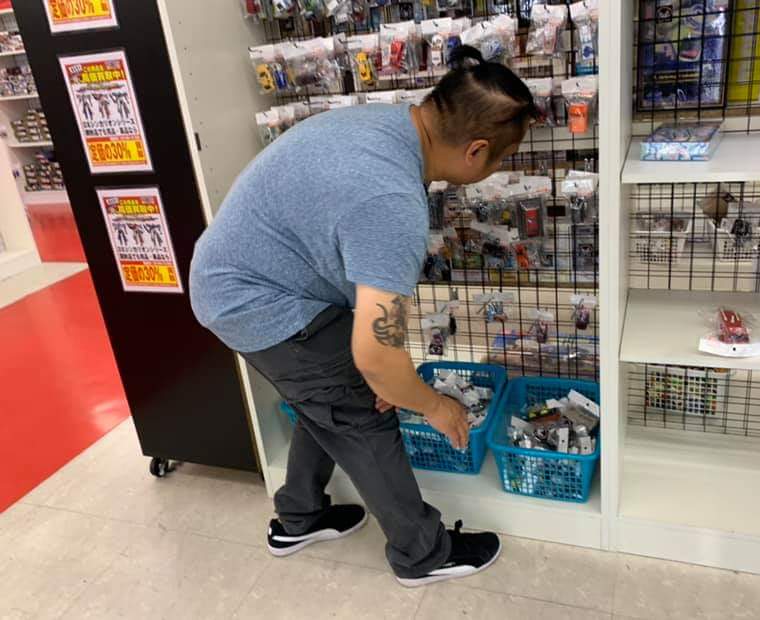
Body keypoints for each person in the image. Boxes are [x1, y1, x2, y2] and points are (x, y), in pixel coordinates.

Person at [189, 45, 537, 587]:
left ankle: (300, 517)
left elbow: (368, 333)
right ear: (476, 151)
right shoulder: (392, 203)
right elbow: (375, 354)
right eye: (501, 159)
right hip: (259, 302)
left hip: (238, 278)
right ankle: (422, 553)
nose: (497, 169)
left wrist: (384, 374)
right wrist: (431, 404)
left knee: (328, 398)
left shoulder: (386, 123)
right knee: (359, 413)